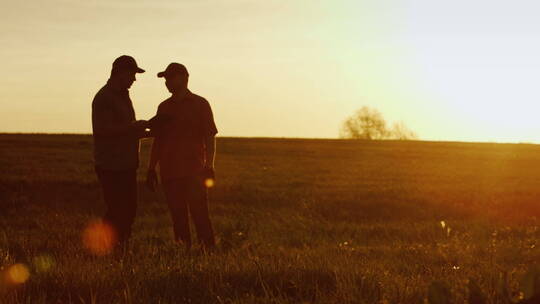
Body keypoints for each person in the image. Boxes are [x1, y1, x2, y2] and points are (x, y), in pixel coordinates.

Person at [146, 62, 217, 250]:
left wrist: (209, 166)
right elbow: (158, 140)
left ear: (184, 78)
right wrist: (151, 168)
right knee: (178, 219)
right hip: (169, 173)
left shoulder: (201, 104)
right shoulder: (163, 107)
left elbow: (209, 137)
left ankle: (208, 254)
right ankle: (183, 256)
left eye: (171, 77)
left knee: (201, 216)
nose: (167, 82)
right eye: (165, 79)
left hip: (195, 171)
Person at [91, 55, 149, 249]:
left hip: (126, 164)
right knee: (118, 211)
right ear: (121, 73)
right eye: (132, 74)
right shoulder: (105, 98)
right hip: (111, 165)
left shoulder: (122, 95)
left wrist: (146, 131)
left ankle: (118, 248)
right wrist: (133, 127)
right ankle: (107, 247)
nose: (134, 79)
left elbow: (122, 130)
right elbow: (104, 130)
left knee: (128, 210)